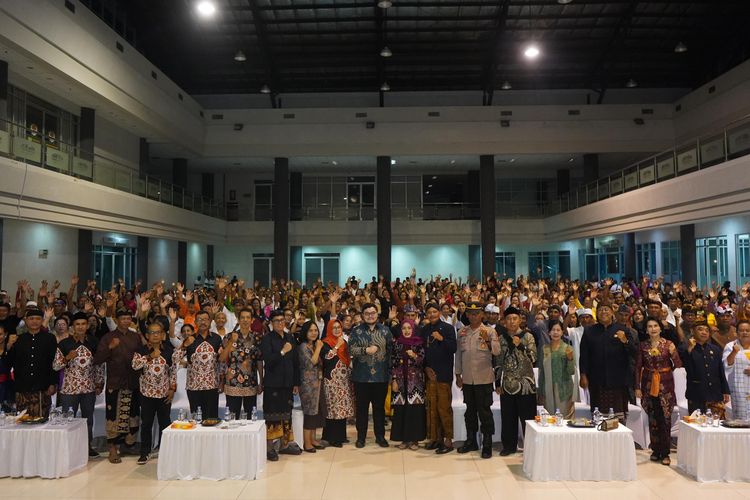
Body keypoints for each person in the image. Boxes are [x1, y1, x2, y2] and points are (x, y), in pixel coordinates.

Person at [93, 308, 142, 464]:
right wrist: (110, 348)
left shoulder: (136, 337)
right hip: (115, 382)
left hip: (133, 382)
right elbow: (97, 359)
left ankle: (128, 444)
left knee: (132, 415)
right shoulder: (108, 337)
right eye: (123, 318)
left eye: (129, 318)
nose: (126, 321)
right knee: (113, 416)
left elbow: (141, 357)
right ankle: (112, 448)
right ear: (116, 319)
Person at [52, 311, 104, 457]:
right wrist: (67, 358)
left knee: (88, 420)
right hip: (69, 389)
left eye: (83, 324)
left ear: (87, 325)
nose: (80, 327)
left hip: (88, 388)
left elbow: (99, 365)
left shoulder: (93, 342)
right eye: (77, 324)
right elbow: (55, 366)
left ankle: (87, 447)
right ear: (72, 327)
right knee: (68, 419)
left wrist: (100, 383)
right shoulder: (64, 343)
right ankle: (66, 448)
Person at [455, 302, 500, 459]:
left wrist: (488, 341)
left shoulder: (489, 331)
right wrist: (457, 375)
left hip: (484, 379)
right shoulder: (462, 332)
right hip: (468, 379)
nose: (473, 316)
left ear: (482, 314)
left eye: (476, 313)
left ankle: (487, 443)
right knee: (470, 412)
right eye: (470, 313)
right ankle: (471, 440)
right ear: (467, 315)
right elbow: (459, 355)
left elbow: (497, 351)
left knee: (485, 412)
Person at [579, 303, 637, 423]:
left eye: (606, 309)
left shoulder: (623, 330)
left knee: (618, 417)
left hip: (618, 381)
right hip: (596, 380)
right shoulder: (590, 331)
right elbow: (584, 356)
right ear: (597, 314)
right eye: (600, 310)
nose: (603, 312)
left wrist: (625, 341)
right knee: (598, 418)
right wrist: (583, 375)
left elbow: (634, 352)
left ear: (612, 313)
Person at [635, 317, 682, 466]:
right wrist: (637, 387)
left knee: (665, 418)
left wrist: (673, 353)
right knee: (653, 418)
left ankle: (666, 452)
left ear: (660, 328)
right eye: (650, 326)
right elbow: (637, 368)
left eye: (655, 326)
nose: (653, 329)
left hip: (665, 385)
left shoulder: (668, 344)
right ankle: (655, 450)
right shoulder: (643, 346)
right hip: (648, 384)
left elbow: (679, 364)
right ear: (646, 329)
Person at [349, 302, 393, 448]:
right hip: (361, 377)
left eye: (372, 313)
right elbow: (350, 350)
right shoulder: (356, 331)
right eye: (367, 313)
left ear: (377, 314)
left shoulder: (386, 331)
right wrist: (365, 350)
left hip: (380, 376)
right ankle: (361, 437)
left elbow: (391, 353)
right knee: (361, 409)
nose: (370, 316)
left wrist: (391, 376)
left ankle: (380, 436)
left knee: (379, 408)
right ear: (362, 315)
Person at [132, 321, 176, 465]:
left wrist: (172, 389)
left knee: (165, 423)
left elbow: (173, 372)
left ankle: (167, 451)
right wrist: (150, 356)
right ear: (147, 335)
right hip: (146, 394)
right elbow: (134, 366)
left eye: (158, 332)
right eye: (152, 333)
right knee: (146, 424)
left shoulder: (169, 350)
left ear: (163, 335)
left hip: (164, 394)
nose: (155, 335)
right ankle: (144, 452)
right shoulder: (141, 350)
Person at [260, 309, 302, 461]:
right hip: (273, 384)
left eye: (282, 320)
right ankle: (269, 447)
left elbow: (296, 363)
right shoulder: (267, 339)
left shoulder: (290, 337)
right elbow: (269, 361)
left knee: (286, 415)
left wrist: (296, 383)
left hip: (288, 383)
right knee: (272, 416)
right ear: (271, 323)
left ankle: (284, 445)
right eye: (276, 321)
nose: (280, 323)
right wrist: (282, 352)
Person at [496, 306, 537, 457]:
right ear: (504, 322)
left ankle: (531, 446)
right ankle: (509, 446)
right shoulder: (500, 338)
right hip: (507, 384)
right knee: (508, 417)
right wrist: (497, 383)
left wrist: (520, 344)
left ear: (520, 320)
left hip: (526, 384)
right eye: (509, 319)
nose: (512, 322)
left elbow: (533, 358)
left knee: (528, 418)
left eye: (515, 318)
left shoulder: (528, 336)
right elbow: (498, 362)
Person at [3, 308, 57, 418]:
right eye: (31, 318)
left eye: (38, 318)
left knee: (42, 421)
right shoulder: (18, 339)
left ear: (42, 320)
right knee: (22, 421)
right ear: (26, 321)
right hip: (22, 387)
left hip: (43, 387)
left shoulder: (49, 338)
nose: (34, 321)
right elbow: (8, 363)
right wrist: (8, 346)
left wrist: (52, 383)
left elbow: (54, 362)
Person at [422, 302, 457, 454]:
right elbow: (421, 351)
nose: (432, 315)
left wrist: (442, 339)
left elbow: (453, 348)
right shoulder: (424, 330)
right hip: (429, 375)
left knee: (444, 408)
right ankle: (435, 439)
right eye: (429, 312)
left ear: (439, 312)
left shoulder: (448, 328)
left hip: (443, 375)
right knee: (432, 408)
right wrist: (425, 368)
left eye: (434, 312)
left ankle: (448, 441)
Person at [679, 319, 730, 418]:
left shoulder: (715, 349)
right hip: (696, 394)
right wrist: (689, 350)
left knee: (717, 424)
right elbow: (688, 369)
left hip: (715, 394)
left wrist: (725, 390)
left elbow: (721, 371)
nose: (704, 332)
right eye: (700, 329)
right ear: (692, 331)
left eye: (707, 330)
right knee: (697, 425)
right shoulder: (686, 348)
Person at [220, 308, 263, 420]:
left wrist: (261, 382)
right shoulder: (229, 337)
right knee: (232, 417)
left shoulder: (257, 338)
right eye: (242, 317)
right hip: (232, 382)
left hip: (251, 382)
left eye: (248, 317)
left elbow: (259, 361)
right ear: (238, 320)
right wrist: (231, 343)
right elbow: (222, 359)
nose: (245, 320)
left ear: (252, 320)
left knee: (250, 417)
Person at [390, 319, 426, 450]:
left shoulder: (419, 344)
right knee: (401, 411)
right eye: (404, 328)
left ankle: (414, 440)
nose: (406, 331)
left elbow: (422, 362)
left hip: (415, 383)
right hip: (400, 382)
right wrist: (393, 379)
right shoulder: (397, 344)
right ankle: (403, 439)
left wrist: (414, 356)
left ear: (413, 329)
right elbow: (393, 362)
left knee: (414, 411)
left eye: (409, 328)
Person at [179, 310, 223, 418]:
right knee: (197, 421)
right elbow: (175, 358)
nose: (202, 322)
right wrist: (184, 345)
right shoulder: (190, 339)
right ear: (195, 322)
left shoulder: (217, 338)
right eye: (199, 320)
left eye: (205, 319)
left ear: (210, 321)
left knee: (212, 419)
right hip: (194, 387)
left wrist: (222, 380)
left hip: (211, 386)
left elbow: (221, 362)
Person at [320, 319, 355, 448]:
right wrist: (336, 346)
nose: (336, 330)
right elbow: (327, 358)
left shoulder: (344, 343)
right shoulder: (325, 343)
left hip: (344, 379)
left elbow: (347, 359)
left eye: (338, 327)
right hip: (331, 381)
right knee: (333, 410)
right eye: (334, 327)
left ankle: (341, 436)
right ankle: (331, 438)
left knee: (342, 409)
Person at [537, 320, 575, 420]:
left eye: (558, 330)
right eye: (553, 330)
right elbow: (541, 372)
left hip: (564, 390)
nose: (555, 332)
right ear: (549, 332)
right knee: (549, 420)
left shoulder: (568, 348)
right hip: (547, 389)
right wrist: (540, 392)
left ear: (562, 332)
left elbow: (571, 371)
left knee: (564, 419)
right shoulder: (544, 348)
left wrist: (570, 359)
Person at [298, 321, 326, 453]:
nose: (314, 333)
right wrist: (319, 348)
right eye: (311, 330)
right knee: (309, 412)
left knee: (316, 412)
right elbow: (311, 363)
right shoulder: (303, 347)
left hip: (317, 384)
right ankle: (307, 442)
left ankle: (314, 439)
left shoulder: (313, 345)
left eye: (315, 330)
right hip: (308, 385)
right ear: (305, 332)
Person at [723, 319, 750, 420]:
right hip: (739, 388)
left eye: (747, 330)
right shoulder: (730, 346)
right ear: (737, 332)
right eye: (742, 330)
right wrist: (734, 352)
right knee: (741, 419)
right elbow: (727, 365)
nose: (745, 333)